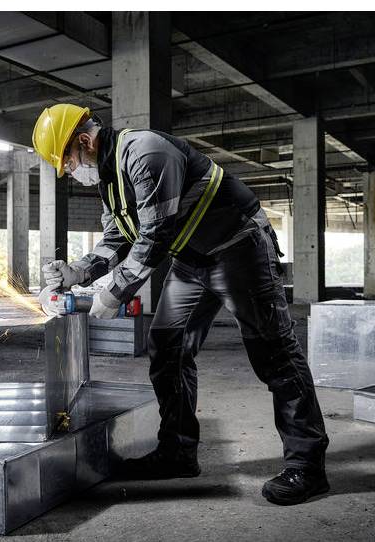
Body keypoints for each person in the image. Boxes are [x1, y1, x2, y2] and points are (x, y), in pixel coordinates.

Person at [32, 104, 330, 505]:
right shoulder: (109, 178)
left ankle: (307, 468)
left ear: (84, 142)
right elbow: (117, 235)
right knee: (167, 348)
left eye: (67, 163)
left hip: (237, 250)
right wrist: (78, 273)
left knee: (275, 355)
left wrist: (115, 292)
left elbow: (155, 233)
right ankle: (177, 453)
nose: (70, 172)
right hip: (191, 261)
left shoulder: (145, 152)